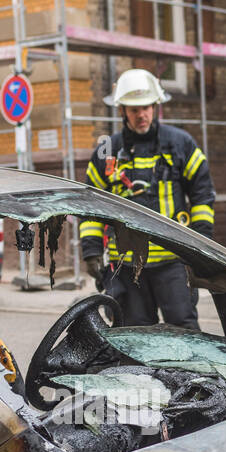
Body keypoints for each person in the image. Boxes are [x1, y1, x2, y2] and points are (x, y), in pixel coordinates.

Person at [80, 69, 215, 329]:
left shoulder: (181, 144)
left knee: (183, 331)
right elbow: (90, 206)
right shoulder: (107, 152)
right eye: (134, 109)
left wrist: (202, 244)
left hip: (173, 262)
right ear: (122, 110)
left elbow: (203, 194)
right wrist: (91, 250)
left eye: (146, 107)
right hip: (127, 266)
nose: (141, 115)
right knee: (134, 334)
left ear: (155, 107)